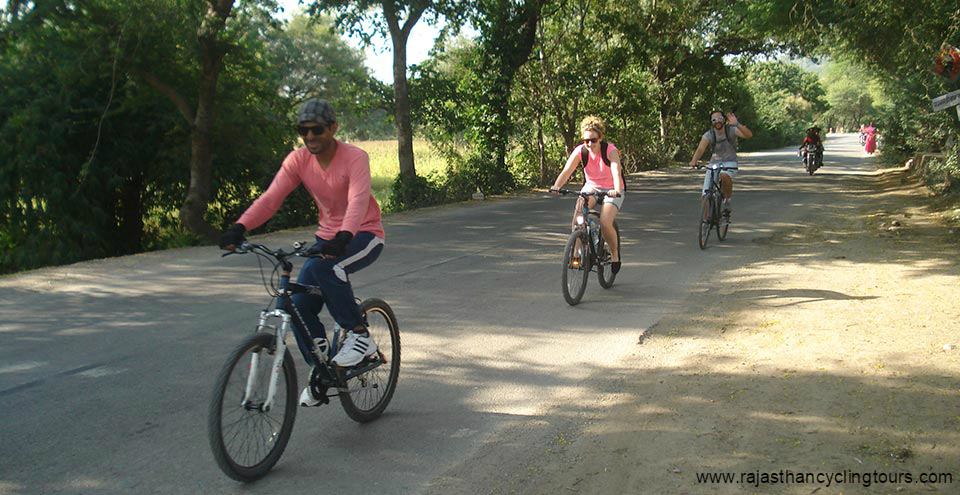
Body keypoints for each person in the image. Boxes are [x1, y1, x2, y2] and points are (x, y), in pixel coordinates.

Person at [218, 98, 385, 407]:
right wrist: (240, 227)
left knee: (327, 269)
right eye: (303, 131)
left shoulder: (354, 157)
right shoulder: (298, 160)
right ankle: (324, 368)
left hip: (364, 233)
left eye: (317, 130)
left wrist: (345, 236)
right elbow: (271, 199)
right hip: (327, 238)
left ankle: (359, 334)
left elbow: (359, 199)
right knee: (296, 303)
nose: (310, 137)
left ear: (333, 128)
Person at [549, 116, 624, 274]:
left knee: (604, 221)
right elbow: (567, 171)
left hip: (611, 188)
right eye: (585, 141)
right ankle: (576, 255)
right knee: (578, 219)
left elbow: (617, 173)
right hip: (591, 187)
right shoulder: (581, 151)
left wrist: (616, 190)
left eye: (593, 140)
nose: (589, 144)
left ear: (600, 138)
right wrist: (557, 186)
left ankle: (615, 254)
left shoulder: (610, 150)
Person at [687, 110, 753, 215]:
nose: (717, 121)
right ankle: (705, 225)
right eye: (714, 120)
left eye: (719, 119)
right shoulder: (709, 134)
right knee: (705, 196)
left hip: (730, 162)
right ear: (711, 122)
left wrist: (737, 124)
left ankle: (727, 200)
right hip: (714, 164)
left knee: (724, 175)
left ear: (724, 120)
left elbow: (749, 135)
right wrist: (694, 160)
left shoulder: (731, 130)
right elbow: (700, 149)